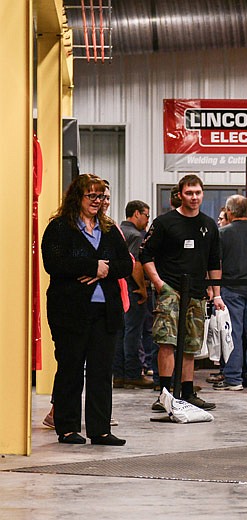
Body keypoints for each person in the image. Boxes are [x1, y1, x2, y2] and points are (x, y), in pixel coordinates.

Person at [41, 173, 132, 446]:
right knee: (70, 368)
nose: (98, 201)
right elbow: (54, 263)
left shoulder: (108, 228)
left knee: (101, 372)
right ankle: (67, 428)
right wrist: (93, 266)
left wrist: (103, 270)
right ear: (77, 197)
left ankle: (100, 430)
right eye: (92, 196)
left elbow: (125, 265)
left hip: (106, 312)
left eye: (102, 196)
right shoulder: (59, 228)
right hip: (69, 312)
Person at [140, 174, 223, 412]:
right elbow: (145, 255)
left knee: (191, 345)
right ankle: (165, 394)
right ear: (180, 194)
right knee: (167, 342)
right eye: (189, 193)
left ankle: (188, 392)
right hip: (170, 291)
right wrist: (159, 284)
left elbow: (214, 261)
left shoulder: (209, 225)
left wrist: (216, 294)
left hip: (197, 293)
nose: (194, 197)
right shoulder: (165, 222)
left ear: (202, 194)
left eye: (197, 193)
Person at [213, 195, 247, 391]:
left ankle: (234, 379)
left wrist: (215, 291)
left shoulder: (223, 233)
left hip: (232, 289)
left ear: (229, 211)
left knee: (233, 333)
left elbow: (216, 264)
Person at [113, 200, 154, 389]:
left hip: (118, 287)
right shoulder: (136, 235)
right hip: (132, 287)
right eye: (146, 215)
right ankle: (133, 373)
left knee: (120, 331)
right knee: (133, 332)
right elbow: (135, 263)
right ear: (136, 214)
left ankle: (119, 374)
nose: (147, 220)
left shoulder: (118, 231)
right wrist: (143, 288)